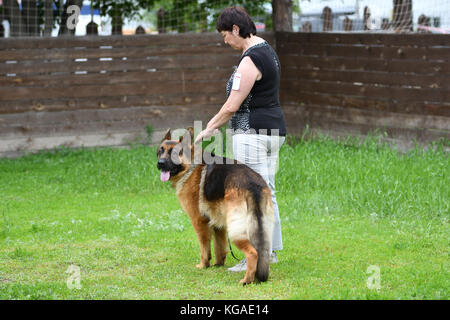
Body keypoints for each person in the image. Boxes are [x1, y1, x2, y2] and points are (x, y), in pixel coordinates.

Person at [194, 6, 286, 272]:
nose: (225, 41)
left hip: (252, 134)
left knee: (250, 194)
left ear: (236, 29)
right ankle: (270, 252)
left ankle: (255, 255)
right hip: (272, 132)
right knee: (266, 190)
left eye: (225, 34)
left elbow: (232, 105)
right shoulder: (267, 49)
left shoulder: (250, 59)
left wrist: (208, 128)